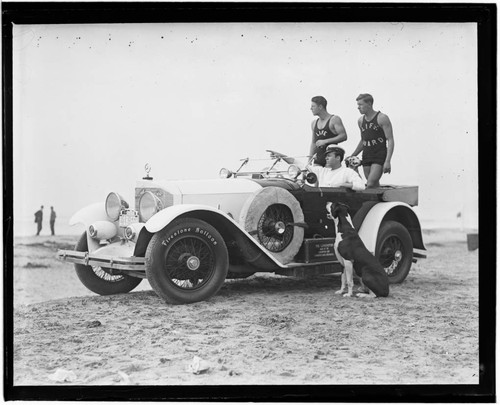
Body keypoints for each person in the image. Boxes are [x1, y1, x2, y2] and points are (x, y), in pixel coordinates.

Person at [349, 93, 394, 188]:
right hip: (367, 154)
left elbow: (390, 139)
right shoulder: (361, 121)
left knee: (370, 183)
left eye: (360, 105)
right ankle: (377, 200)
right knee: (373, 184)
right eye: (358, 105)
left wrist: (388, 161)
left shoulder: (382, 118)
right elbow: (363, 140)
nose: (358, 107)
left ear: (369, 104)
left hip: (379, 154)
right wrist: (353, 155)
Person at [309, 96, 347, 166]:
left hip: (331, 160)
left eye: (313, 106)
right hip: (318, 160)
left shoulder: (334, 119)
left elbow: (343, 136)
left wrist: (325, 141)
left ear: (320, 107)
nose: (310, 108)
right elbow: (313, 143)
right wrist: (309, 160)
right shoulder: (314, 123)